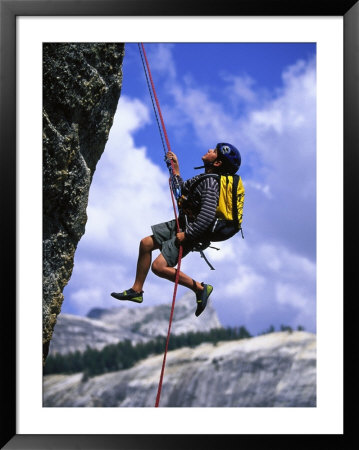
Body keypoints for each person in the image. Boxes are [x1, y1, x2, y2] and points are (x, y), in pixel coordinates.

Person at [111, 143, 243, 317]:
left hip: (191, 232)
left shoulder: (211, 183)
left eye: (215, 151)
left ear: (217, 163)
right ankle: (137, 290)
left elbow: (208, 216)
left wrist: (187, 235)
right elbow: (182, 194)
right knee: (145, 244)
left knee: (158, 267)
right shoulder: (205, 178)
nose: (210, 150)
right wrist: (176, 170)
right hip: (183, 223)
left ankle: (200, 288)